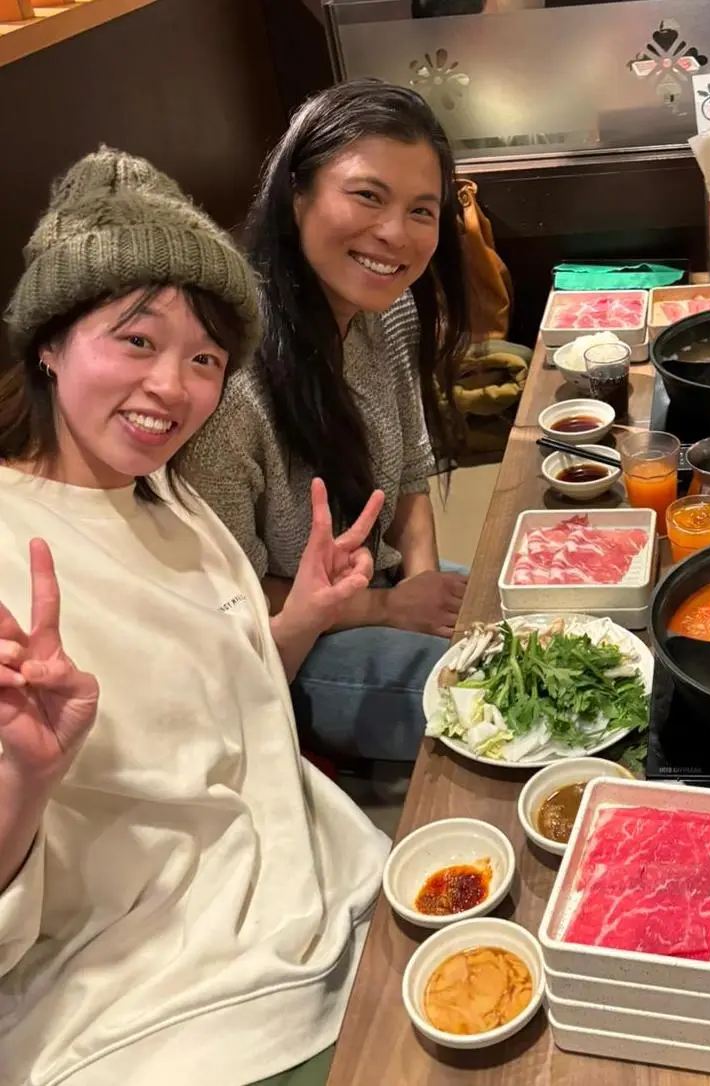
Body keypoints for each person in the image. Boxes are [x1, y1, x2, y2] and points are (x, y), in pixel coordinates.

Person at [0, 147, 389, 1085]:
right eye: (137, 341)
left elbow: (233, 720)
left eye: (204, 358)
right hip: (164, 1011)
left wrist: (295, 621)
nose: (174, 388)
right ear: (49, 342)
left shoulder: (164, 497)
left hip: (322, 899)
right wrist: (24, 776)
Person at [180, 79, 471, 764]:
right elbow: (231, 596)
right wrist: (392, 612)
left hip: (380, 587)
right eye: (367, 195)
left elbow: (409, 477)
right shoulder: (228, 384)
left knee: (541, 617)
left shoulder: (389, 313)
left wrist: (421, 587)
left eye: (421, 210)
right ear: (297, 192)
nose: (394, 233)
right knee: (492, 702)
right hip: (289, 639)